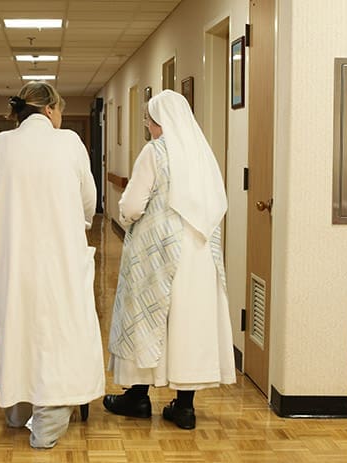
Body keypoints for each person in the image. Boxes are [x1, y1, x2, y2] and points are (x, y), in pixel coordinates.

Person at [0, 81, 105, 448]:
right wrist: (76, 220)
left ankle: (19, 408)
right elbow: (90, 202)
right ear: (51, 110)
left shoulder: (1, 146)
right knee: (59, 330)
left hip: (15, 261)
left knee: (18, 328)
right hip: (62, 260)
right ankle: (51, 416)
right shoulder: (70, 142)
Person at [103, 89, 236, 429]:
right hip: (200, 253)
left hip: (158, 251)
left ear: (159, 122)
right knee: (188, 324)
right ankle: (185, 406)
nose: (148, 127)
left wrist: (125, 215)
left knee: (146, 316)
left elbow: (132, 205)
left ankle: (137, 396)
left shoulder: (156, 152)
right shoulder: (203, 155)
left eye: (148, 121)